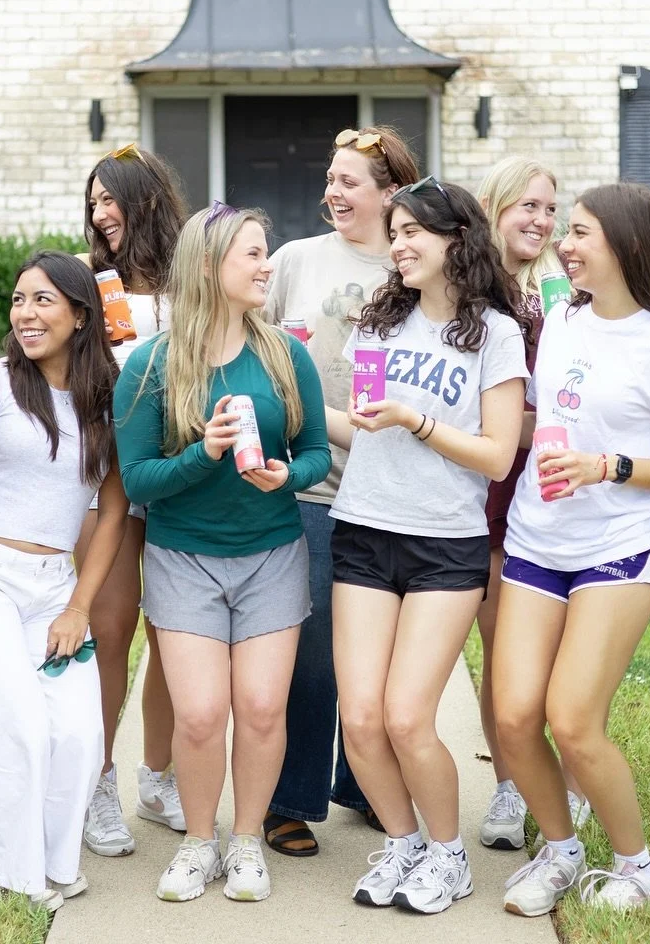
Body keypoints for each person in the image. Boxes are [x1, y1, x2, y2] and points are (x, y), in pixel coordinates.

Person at [494, 182, 650, 915]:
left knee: (573, 719)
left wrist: (609, 466)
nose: (565, 241)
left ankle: (635, 865)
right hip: (536, 535)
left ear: (622, 244)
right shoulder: (561, 316)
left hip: (616, 547)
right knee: (515, 716)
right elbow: (546, 416)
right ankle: (561, 852)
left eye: (581, 231)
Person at [113, 202, 330, 903]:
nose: (268, 266)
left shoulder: (285, 354)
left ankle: (245, 842)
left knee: (263, 709)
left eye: (266, 252)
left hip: (271, 552)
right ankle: (197, 841)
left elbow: (317, 452)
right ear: (209, 267)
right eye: (253, 254)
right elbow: (139, 480)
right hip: (185, 559)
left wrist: (285, 477)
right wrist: (204, 455)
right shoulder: (150, 366)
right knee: (201, 714)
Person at [331, 178, 529, 915]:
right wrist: (297, 412)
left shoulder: (495, 333)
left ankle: (450, 857)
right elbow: (362, 426)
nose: (400, 243)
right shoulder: (378, 320)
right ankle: (405, 841)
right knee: (361, 718)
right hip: (364, 526)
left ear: (458, 240)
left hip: (446, 542)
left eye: (415, 230)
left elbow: (496, 456)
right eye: (396, 231)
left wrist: (415, 420)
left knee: (408, 716)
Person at [0, 250, 126, 912]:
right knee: (9, 723)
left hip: (51, 587)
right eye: (17, 300)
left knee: (76, 731)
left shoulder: (106, 399)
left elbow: (114, 509)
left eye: (43, 300)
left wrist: (79, 606)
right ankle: (6, 874)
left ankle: (53, 861)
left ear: (79, 315)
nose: (25, 313)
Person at [262, 125, 421, 857]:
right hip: (317, 488)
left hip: (398, 491)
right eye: (330, 178)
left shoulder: (418, 266)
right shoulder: (297, 260)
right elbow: (256, 347)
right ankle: (289, 800)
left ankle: (359, 781)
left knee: (383, 656)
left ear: (391, 195)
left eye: (349, 181)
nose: (332, 191)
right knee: (317, 648)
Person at [473, 156, 589, 850]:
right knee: (502, 646)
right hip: (491, 482)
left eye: (550, 210)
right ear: (494, 206)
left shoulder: (564, 291)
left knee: (565, 649)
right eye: (529, 207)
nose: (542, 222)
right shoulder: (473, 291)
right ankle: (511, 785)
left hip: (555, 481)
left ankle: (571, 778)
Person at [77, 143, 187, 857]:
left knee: (178, 633)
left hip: (180, 472)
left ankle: (159, 775)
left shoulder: (192, 280)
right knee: (111, 627)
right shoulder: (86, 281)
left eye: (108, 199)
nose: (98, 214)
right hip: (106, 477)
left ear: (143, 198)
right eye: (91, 204)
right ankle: (96, 783)